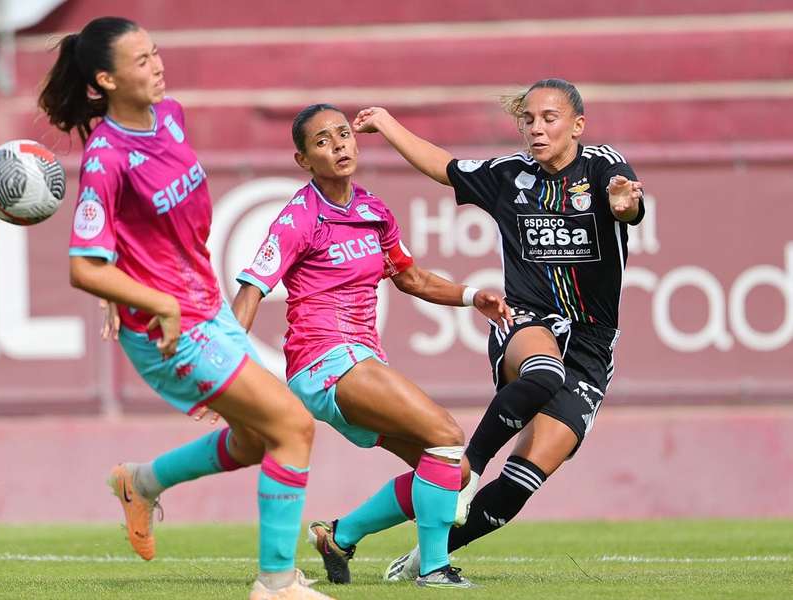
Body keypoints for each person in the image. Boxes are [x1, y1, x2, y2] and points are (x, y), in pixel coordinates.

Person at [37, 17, 332, 600]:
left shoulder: (169, 117)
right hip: (167, 330)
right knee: (293, 426)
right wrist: (141, 298)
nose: (157, 66)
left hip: (205, 306)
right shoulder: (104, 158)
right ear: (105, 80)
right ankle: (275, 585)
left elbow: (141, 232)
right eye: (141, 60)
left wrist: (130, 282)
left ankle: (140, 483)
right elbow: (82, 265)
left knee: (253, 440)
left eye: (156, 53)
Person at [351, 78, 645, 580]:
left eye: (549, 118)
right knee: (544, 371)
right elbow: (444, 168)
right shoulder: (510, 175)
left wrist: (625, 207)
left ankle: (429, 556)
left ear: (577, 126)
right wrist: (386, 123)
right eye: (528, 119)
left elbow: (629, 204)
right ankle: (467, 471)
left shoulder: (603, 166)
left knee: (519, 488)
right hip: (526, 320)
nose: (536, 128)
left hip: (592, 343)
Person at [231, 104, 512, 588]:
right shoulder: (299, 217)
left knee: (451, 470)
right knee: (445, 433)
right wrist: (229, 374)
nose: (339, 145)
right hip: (326, 360)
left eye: (343, 134)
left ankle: (339, 536)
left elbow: (413, 278)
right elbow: (252, 288)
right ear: (303, 160)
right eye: (323, 141)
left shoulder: (373, 210)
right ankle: (435, 570)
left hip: (359, 360)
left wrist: (471, 296)